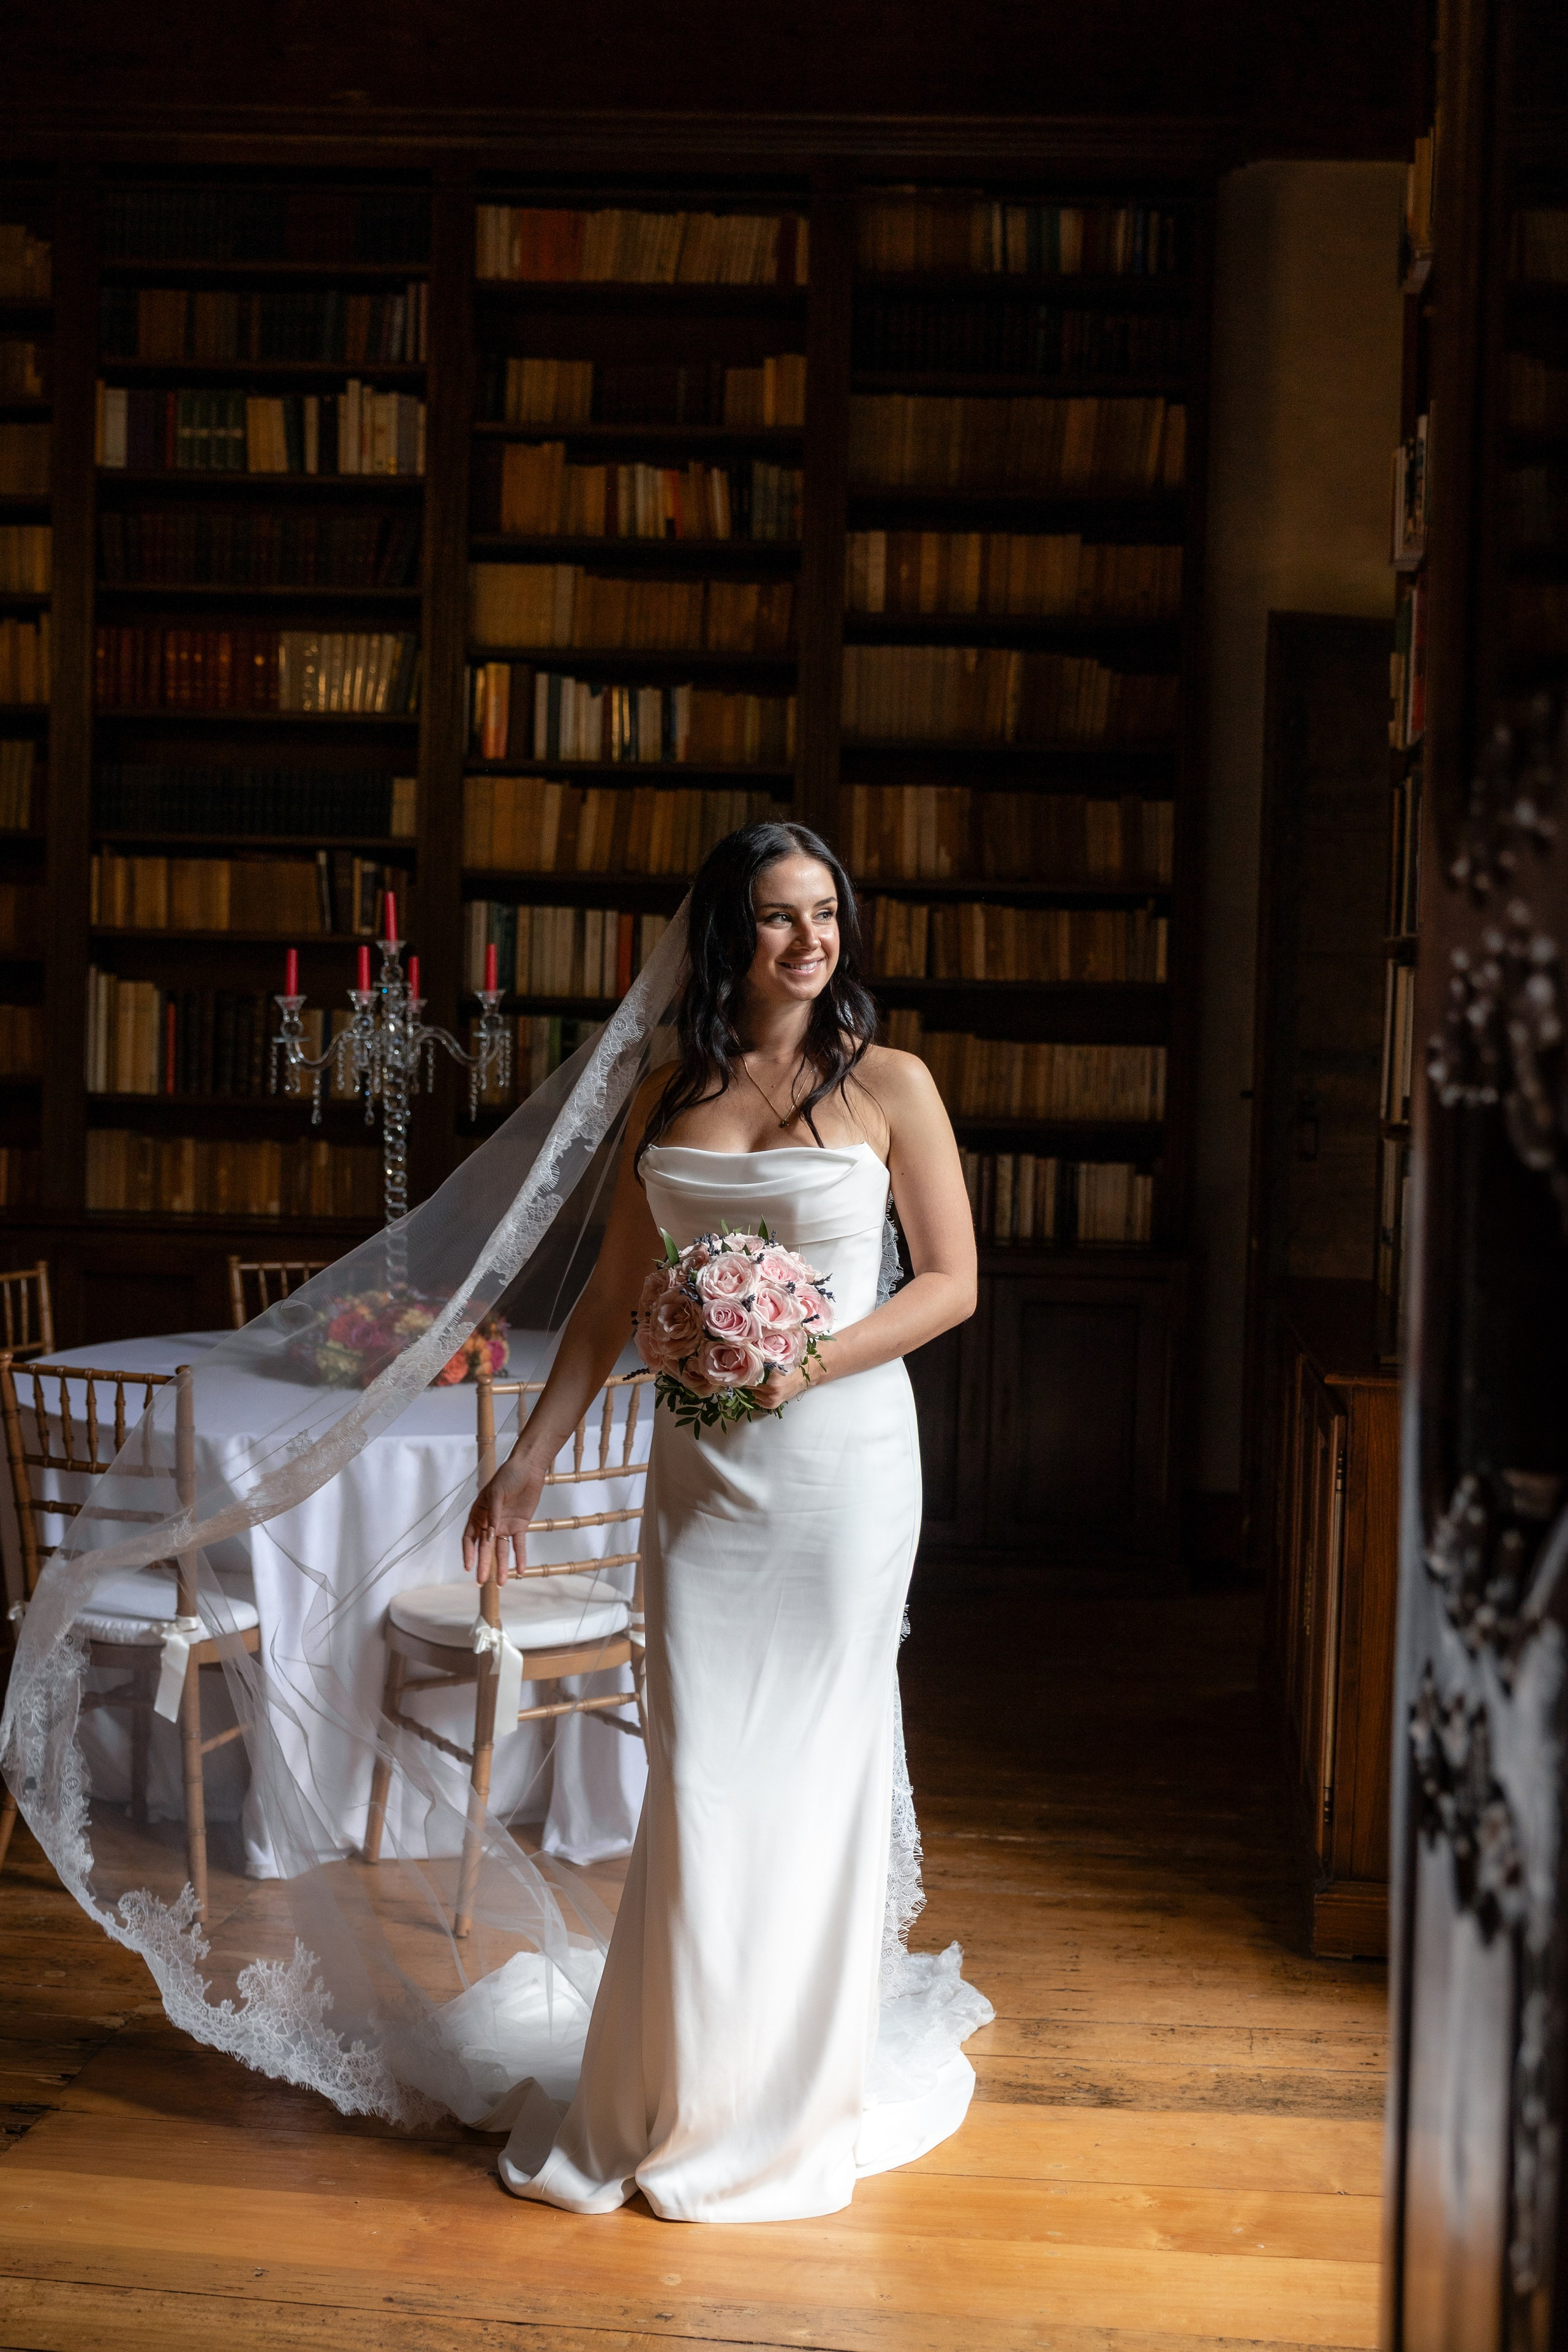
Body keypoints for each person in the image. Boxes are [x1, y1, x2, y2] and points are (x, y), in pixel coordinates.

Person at [463, 818, 990, 2223]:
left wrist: (800, 1359)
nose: (809, 941)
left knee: (812, 1779)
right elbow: (604, 1308)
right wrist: (527, 1463)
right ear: (727, 937)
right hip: (703, 1486)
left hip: (842, 1476)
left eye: (824, 912)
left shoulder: (893, 1085)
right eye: (775, 917)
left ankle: (784, 2096)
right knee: (697, 1782)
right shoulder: (661, 1094)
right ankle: (675, 2084)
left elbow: (949, 1285)